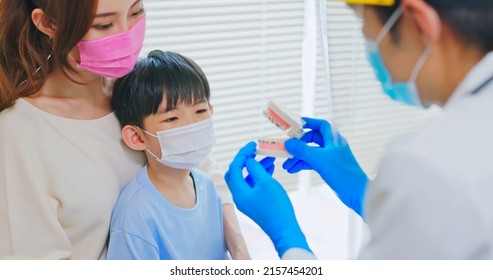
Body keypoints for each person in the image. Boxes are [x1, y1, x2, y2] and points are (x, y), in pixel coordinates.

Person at [225, 0, 493, 259]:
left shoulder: (422, 163)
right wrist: (363, 192)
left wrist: (287, 237)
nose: (372, 54)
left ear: (419, 23)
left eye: (369, 34)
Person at [0, 0, 249, 260]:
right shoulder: (20, 135)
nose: (126, 35)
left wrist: (241, 256)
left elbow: (200, 169)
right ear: (48, 24)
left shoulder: (137, 86)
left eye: (136, 11)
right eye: (104, 24)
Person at [107, 50, 228, 260]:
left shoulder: (207, 187)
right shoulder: (137, 215)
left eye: (200, 111)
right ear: (137, 137)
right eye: (172, 118)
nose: (192, 126)